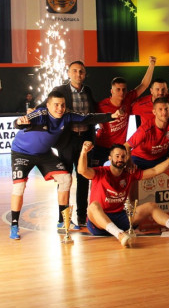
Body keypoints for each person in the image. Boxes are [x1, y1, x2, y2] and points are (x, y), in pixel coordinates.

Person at [8, 90, 122, 240]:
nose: (60, 108)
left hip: (44, 154)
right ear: (48, 105)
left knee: (66, 179)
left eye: (62, 105)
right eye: (56, 105)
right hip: (21, 153)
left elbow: (87, 118)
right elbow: (18, 122)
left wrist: (111, 116)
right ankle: (14, 225)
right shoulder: (40, 115)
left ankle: (62, 221)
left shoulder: (67, 115)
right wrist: (18, 122)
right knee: (19, 187)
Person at [78, 141, 169, 247]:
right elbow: (82, 170)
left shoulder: (129, 174)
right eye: (117, 156)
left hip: (120, 219)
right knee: (93, 206)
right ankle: (120, 235)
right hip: (99, 224)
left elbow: (154, 170)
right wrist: (84, 152)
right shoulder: (101, 172)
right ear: (110, 158)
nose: (120, 159)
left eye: (123, 156)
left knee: (151, 206)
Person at [49, 60, 98, 227]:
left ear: (85, 74)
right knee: (65, 179)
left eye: (81, 71)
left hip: (85, 140)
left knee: (83, 178)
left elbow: (94, 112)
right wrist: (34, 110)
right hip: (67, 141)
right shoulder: (60, 90)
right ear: (69, 73)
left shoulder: (88, 90)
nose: (78, 74)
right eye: (75, 71)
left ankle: (82, 216)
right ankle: (63, 218)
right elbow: (48, 105)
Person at [93, 56, 156, 167]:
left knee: (119, 173)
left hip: (119, 147)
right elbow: (89, 118)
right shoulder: (101, 106)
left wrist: (151, 65)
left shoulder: (128, 98)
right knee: (98, 173)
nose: (121, 92)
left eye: (124, 89)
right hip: (101, 146)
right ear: (112, 91)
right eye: (118, 89)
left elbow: (144, 85)